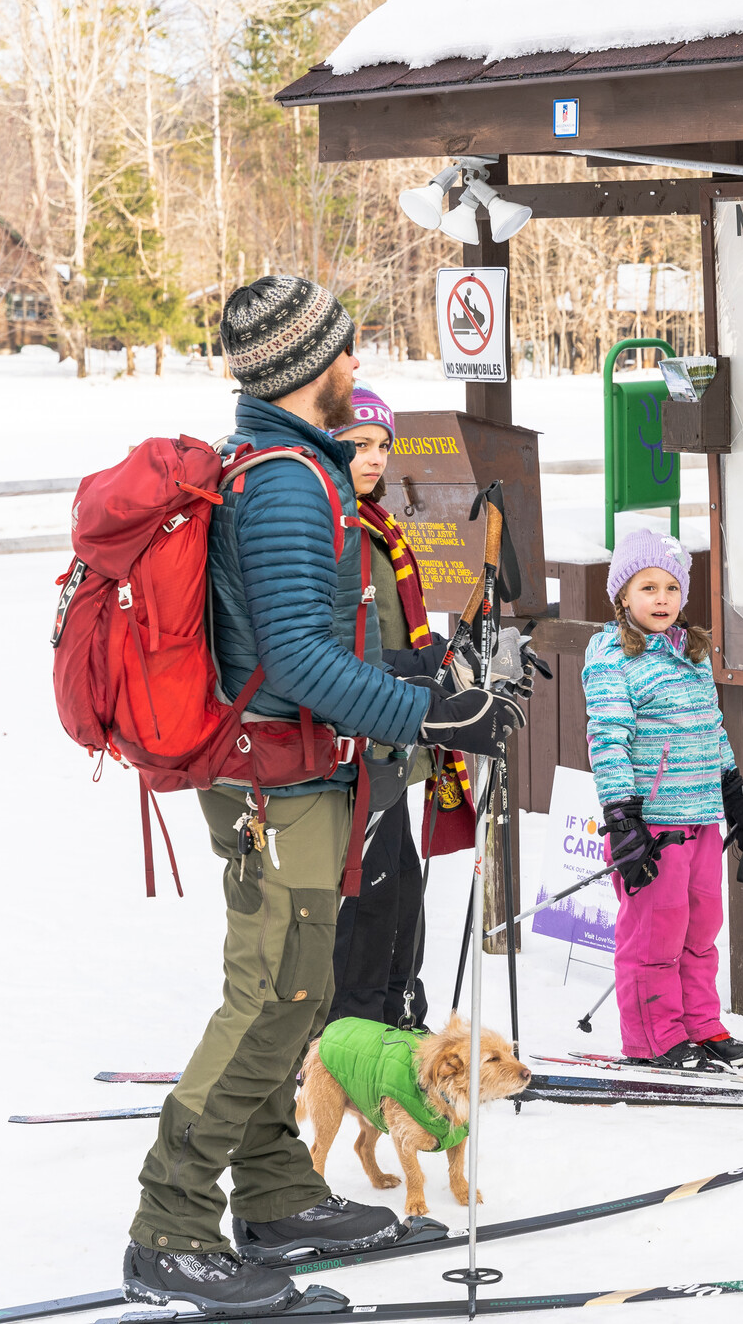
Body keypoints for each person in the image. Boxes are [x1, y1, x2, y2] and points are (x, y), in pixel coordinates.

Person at [125, 277, 522, 1316]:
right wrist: (429, 721)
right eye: (347, 349)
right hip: (275, 783)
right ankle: (169, 1226)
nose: (359, 365)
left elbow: (308, 640)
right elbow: (297, 656)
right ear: (313, 364)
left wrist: (421, 686)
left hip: (289, 772)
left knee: (295, 991)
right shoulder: (292, 480)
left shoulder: (297, 466)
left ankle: (270, 1190)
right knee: (268, 998)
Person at [581, 528, 743, 1073]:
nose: (661, 598)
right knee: (655, 934)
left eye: (670, 587)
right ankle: (654, 1037)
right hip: (654, 824)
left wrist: (732, 790)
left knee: (700, 929)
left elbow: (711, 726)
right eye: (647, 587)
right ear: (623, 596)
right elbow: (608, 737)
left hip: (702, 817)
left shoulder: (689, 651)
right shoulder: (611, 655)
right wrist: (622, 818)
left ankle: (699, 1024)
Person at [327, 386, 480, 1031]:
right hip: (352, 737)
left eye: (383, 446)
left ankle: (394, 1011)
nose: (375, 458)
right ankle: (358, 1029)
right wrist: (425, 667)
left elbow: (387, 627)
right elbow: (332, 650)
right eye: (359, 444)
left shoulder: (377, 525)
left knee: (401, 890)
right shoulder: (334, 528)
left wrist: (437, 657)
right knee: (370, 896)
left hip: (391, 731)